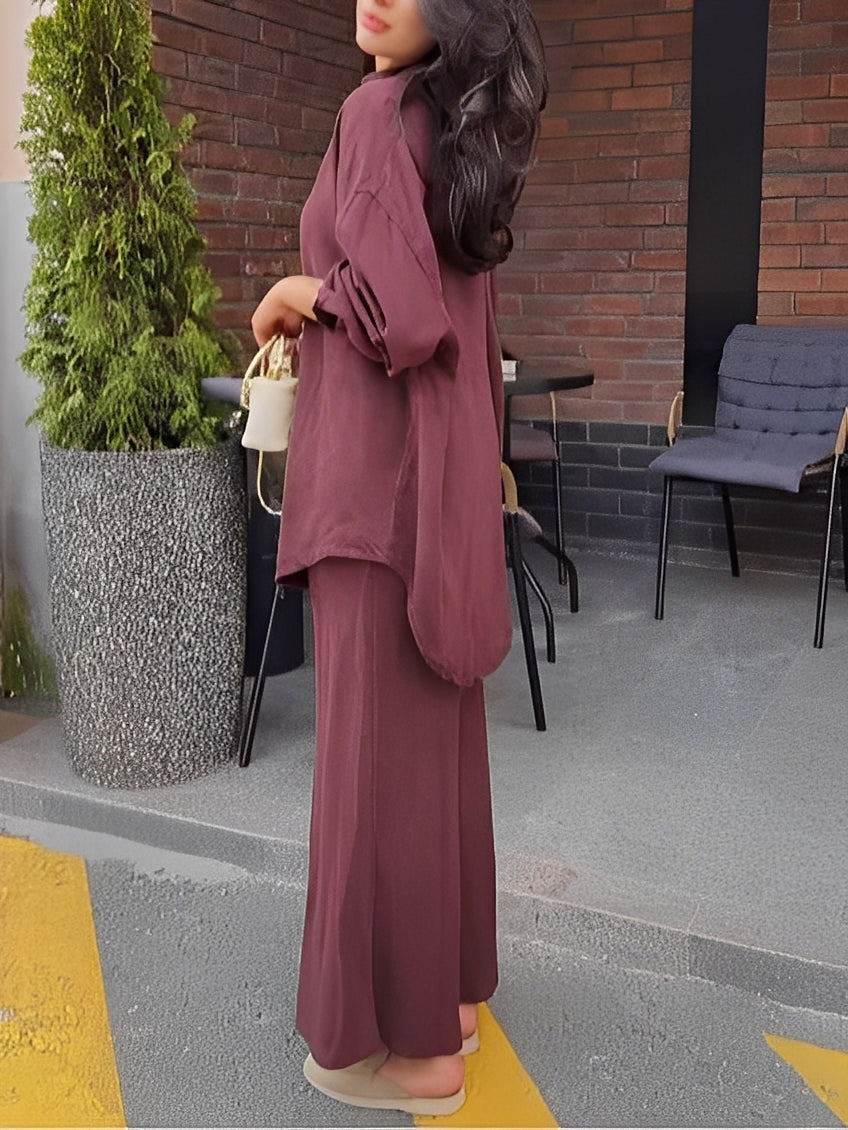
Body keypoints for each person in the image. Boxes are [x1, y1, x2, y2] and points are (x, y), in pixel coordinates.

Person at [251, 0, 547, 1116]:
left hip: (372, 493)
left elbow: (402, 317)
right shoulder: (456, 131)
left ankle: (406, 1052)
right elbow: (459, 331)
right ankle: (449, 999)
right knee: (432, 761)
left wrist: (298, 292)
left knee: (370, 772)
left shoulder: (378, 111)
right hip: (437, 492)